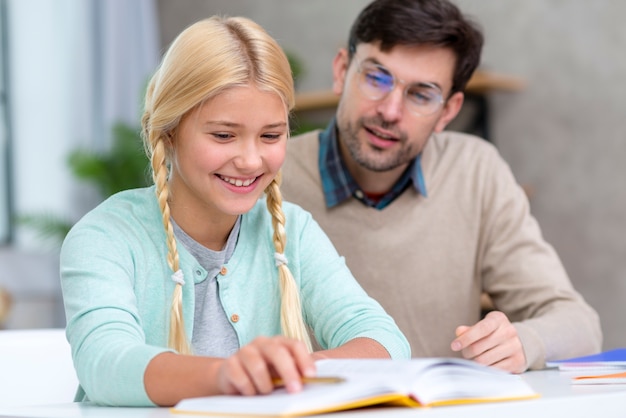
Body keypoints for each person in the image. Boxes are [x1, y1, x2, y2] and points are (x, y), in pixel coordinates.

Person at [60, 15, 410, 407]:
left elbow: (385, 340)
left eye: (271, 136)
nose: (249, 160)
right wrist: (227, 374)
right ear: (169, 132)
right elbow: (105, 364)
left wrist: (301, 371)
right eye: (223, 135)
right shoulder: (105, 237)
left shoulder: (294, 230)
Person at [281, 0, 602, 374]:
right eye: (376, 77)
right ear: (341, 71)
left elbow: (580, 325)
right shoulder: (268, 175)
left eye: (421, 94)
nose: (390, 111)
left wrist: (523, 341)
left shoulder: (476, 171)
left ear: (447, 112)